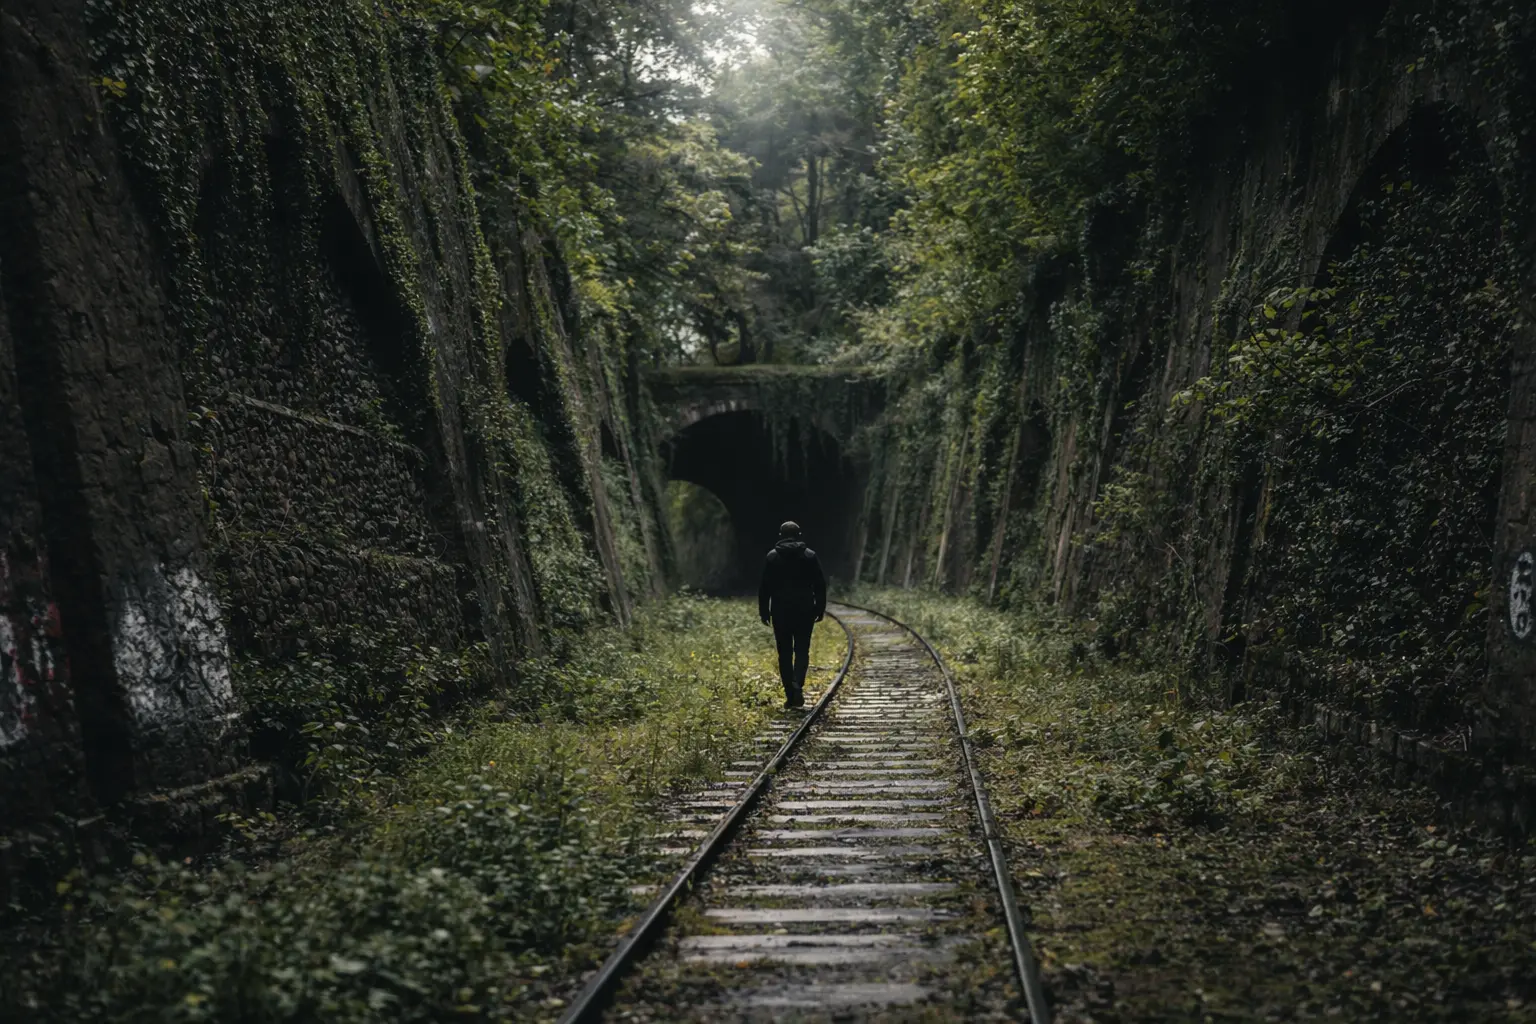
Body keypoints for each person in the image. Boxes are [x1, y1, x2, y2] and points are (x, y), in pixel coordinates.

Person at [758, 521, 827, 709]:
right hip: (805, 610)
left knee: (785, 653)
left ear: (781, 535)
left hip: (780, 611)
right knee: (802, 650)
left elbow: (765, 587)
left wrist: (764, 611)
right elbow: (819, 585)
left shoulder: (772, 557)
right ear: (799, 534)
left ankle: (790, 693)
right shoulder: (809, 556)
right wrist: (819, 608)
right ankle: (798, 682)